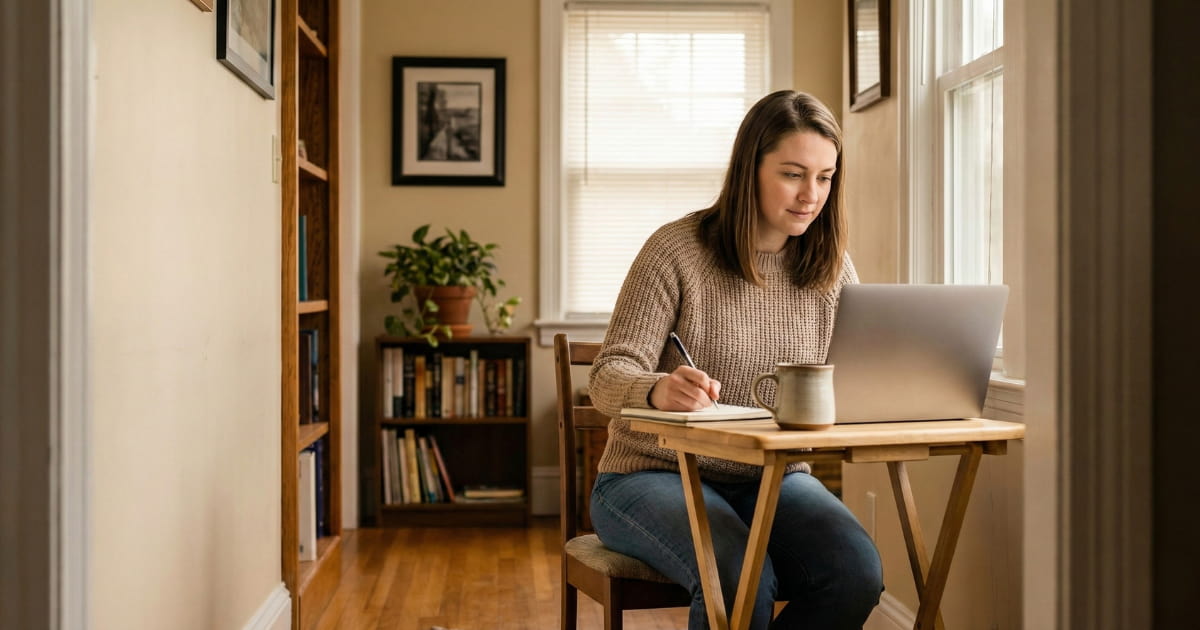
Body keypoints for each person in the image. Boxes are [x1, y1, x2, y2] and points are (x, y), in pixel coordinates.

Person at [587, 90, 883, 629]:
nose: (810, 194)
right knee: (739, 572)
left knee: (856, 571)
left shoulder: (833, 270)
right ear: (750, 169)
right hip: (651, 475)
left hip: (775, 477)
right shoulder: (676, 250)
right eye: (793, 174)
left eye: (825, 177)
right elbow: (608, 377)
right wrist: (656, 390)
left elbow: (853, 388)